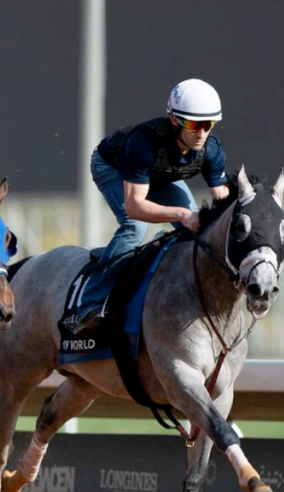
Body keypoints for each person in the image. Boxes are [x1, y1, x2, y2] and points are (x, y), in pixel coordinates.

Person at [75, 78, 230, 329]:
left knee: (197, 231)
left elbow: (223, 204)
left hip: (160, 176)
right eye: (193, 125)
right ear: (175, 120)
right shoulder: (143, 144)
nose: (201, 133)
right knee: (135, 228)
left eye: (208, 124)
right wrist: (181, 214)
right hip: (112, 167)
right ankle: (89, 303)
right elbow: (135, 206)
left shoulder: (212, 150)